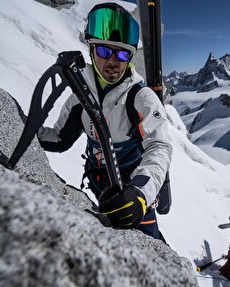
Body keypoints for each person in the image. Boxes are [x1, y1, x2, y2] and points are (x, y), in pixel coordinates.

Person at [37, 2, 172, 242]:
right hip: (101, 189)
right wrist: (28, 130)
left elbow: (159, 146)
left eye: (122, 54)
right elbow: (59, 139)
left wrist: (141, 193)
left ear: (130, 57)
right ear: (90, 49)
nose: (113, 61)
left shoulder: (140, 97)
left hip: (134, 194)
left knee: (150, 243)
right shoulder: (81, 94)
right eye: (104, 51)